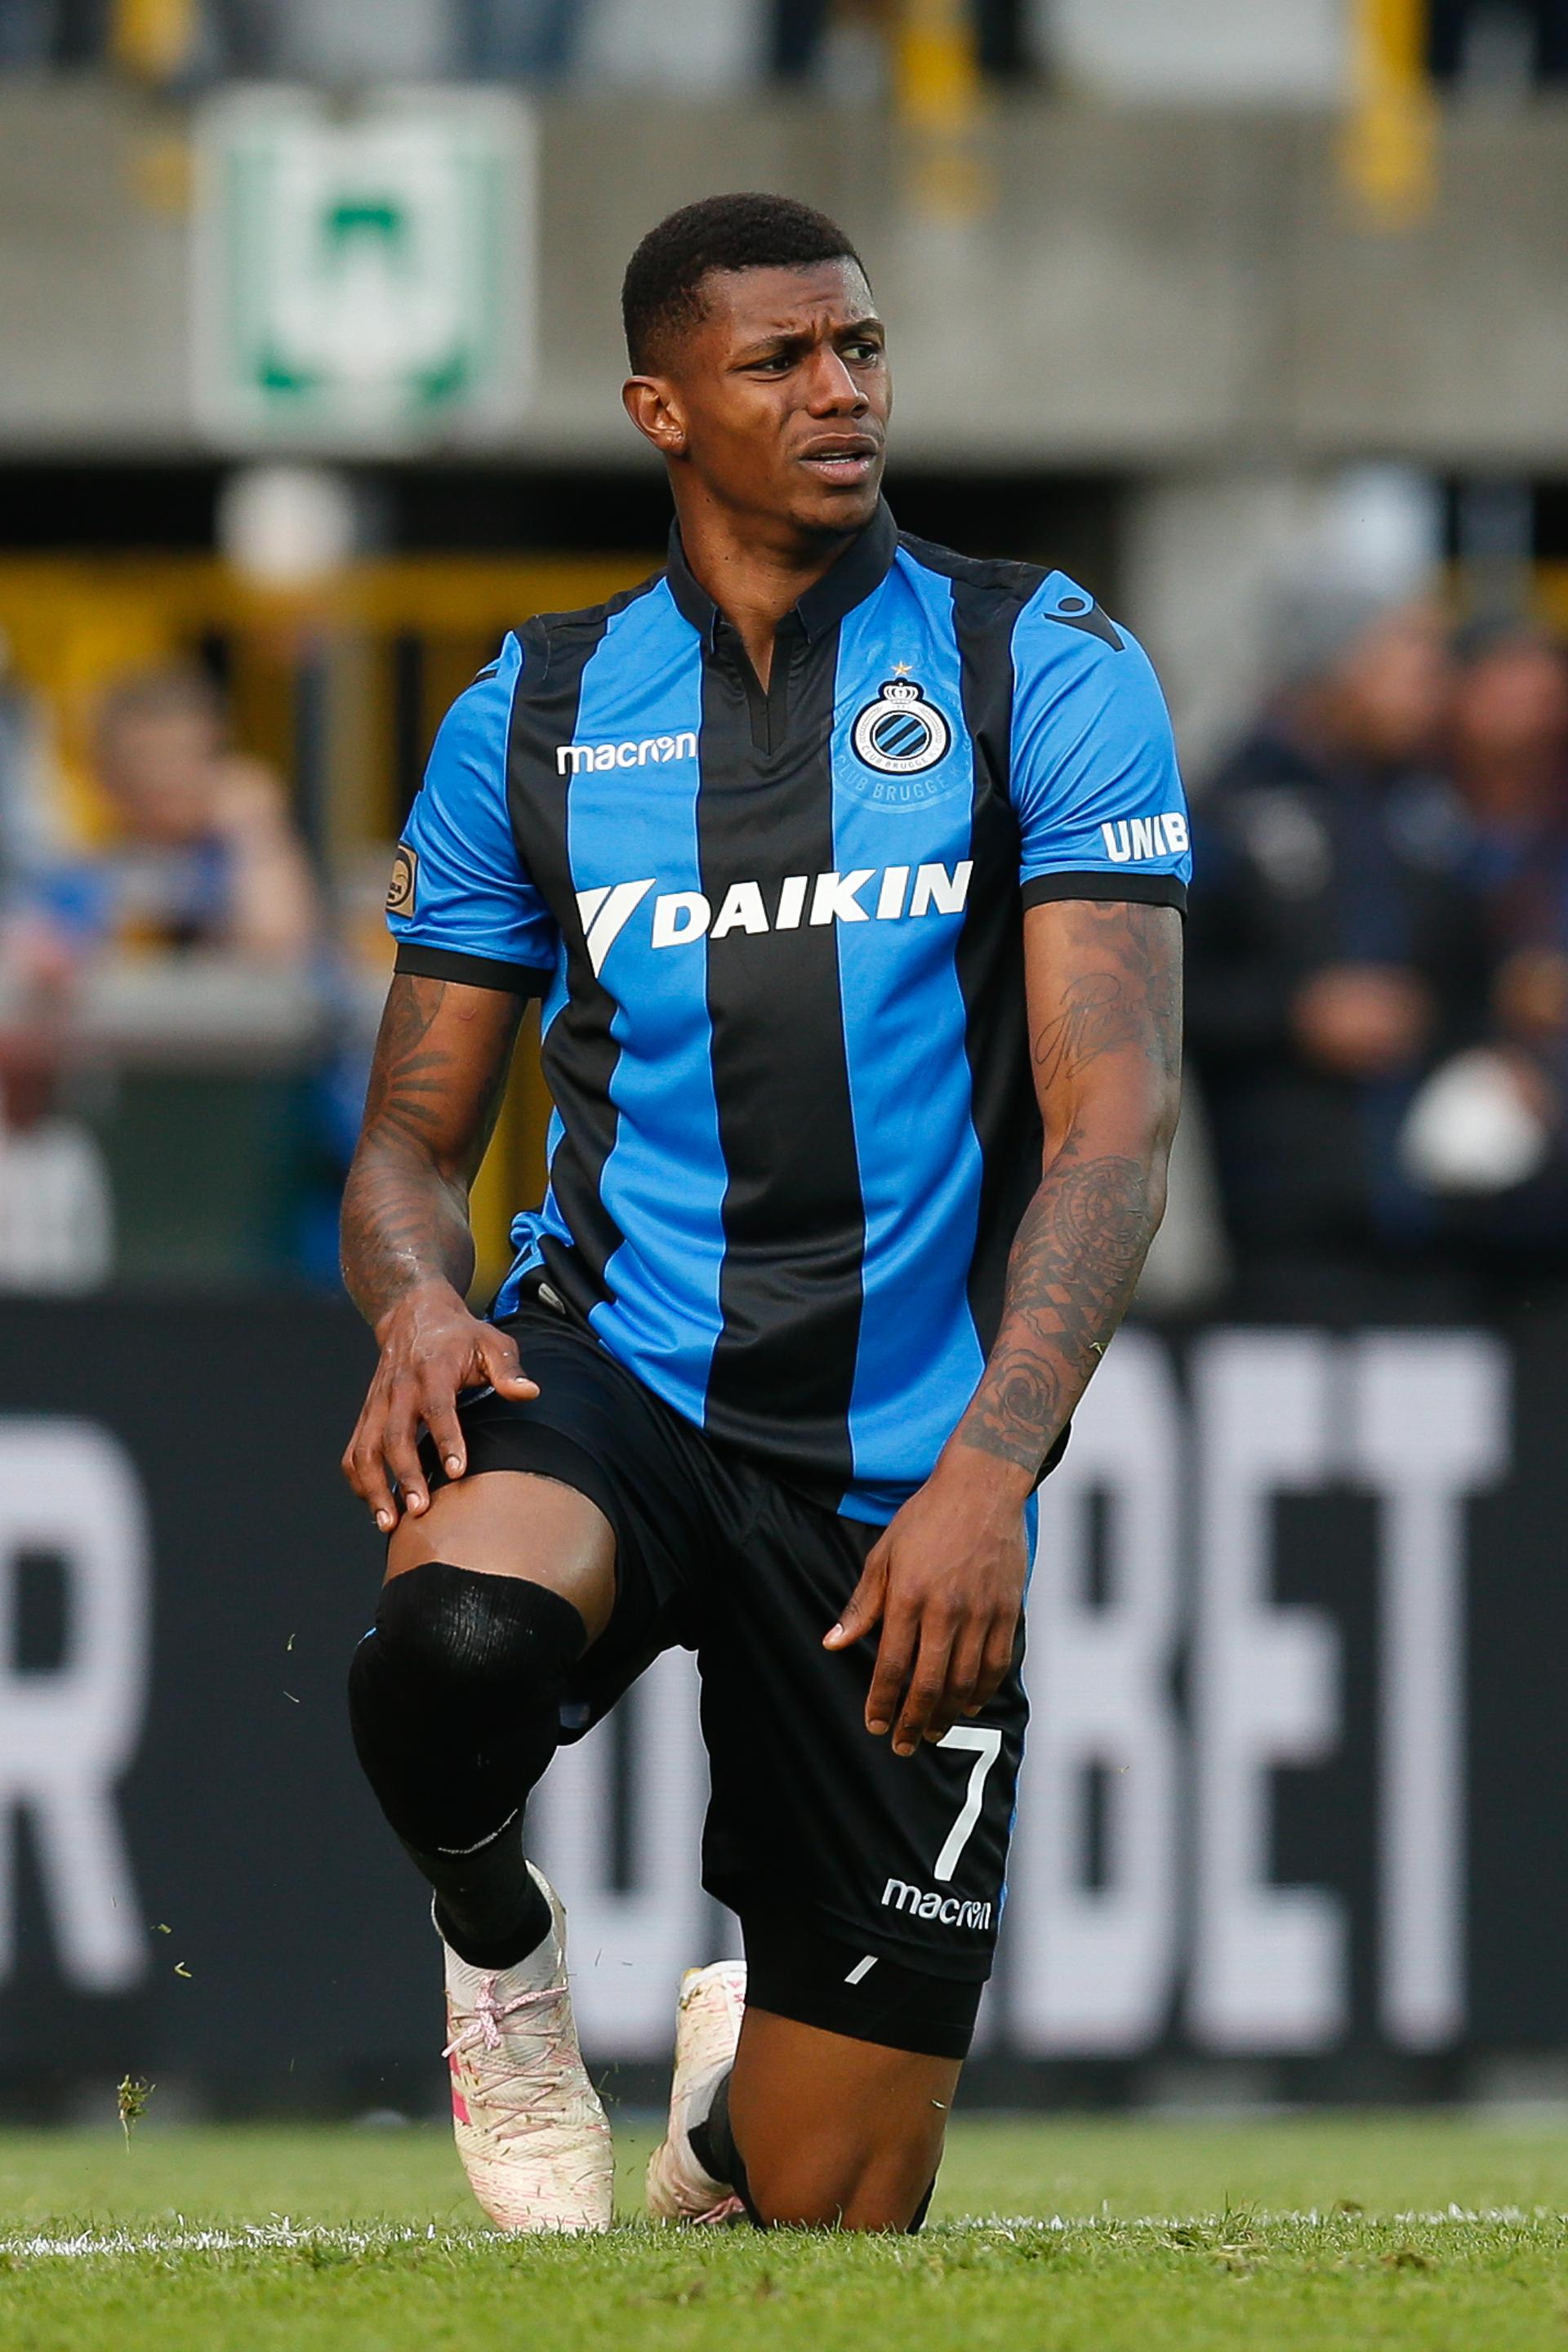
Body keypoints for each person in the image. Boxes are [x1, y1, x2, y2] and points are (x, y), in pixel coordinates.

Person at [340, 192, 1186, 2235]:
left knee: (829, 2216)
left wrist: (996, 1460)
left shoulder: (1032, 662)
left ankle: (730, 2121)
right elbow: (405, 1146)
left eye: (861, 350)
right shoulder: (531, 715)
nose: (842, 391)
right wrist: (416, 1309)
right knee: (448, 1642)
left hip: (904, 1459)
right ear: (660, 408)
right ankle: (496, 1941)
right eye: (779, 363)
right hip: (620, 1365)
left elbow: (1117, 1113)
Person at [1185, 590, 1493, 1321]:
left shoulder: (1432, 811)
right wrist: (1297, 1018)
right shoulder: (1228, 808)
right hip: (1284, 1236)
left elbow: (1474, 984)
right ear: (1335, 663)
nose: (1433, 681)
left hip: (1447, 1225)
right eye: (1406, 654)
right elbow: (1160, 997)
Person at [36, 668, 318, 967]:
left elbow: (281, 946)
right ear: (105, 777)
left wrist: (257, 829)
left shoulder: (236, 861)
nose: (162, 777)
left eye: (180, 757)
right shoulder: (82, 880)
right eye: (143, 759)